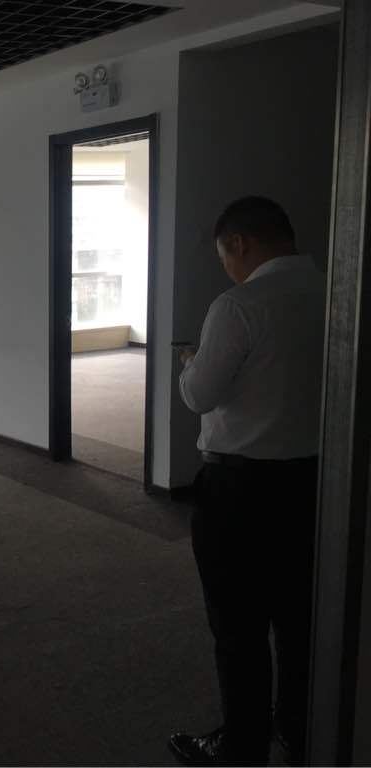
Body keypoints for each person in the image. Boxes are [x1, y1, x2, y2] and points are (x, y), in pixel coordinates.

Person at [168, 197, 325, 766]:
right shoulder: (334, 291)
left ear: (238, 243)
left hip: (240, 492)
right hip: (314, 483)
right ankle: (301, 730)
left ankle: (242, 747)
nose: (227, 269)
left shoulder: (238, 305)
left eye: (224, 257)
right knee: (300, 619)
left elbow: (199, 395)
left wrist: (191, 363)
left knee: (238, 626)